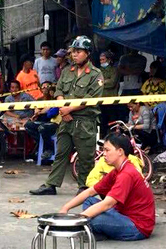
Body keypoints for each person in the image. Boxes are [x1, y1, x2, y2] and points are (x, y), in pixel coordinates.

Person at [30, 36, 104, 195]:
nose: (75, 55)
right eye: (73, 52)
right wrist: (64, 109)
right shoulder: (66, 71)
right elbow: (59, 91)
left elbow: (91, 99)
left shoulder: (95, 74)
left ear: (88, 53)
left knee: (85, 157)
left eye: (78, 51)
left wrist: (68, 110)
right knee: (61, 153)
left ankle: (84, 187)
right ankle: (51, 184)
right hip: (65, 119)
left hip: (84, 121)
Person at [59, 133, 155, 241]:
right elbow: (91, 191)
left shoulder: (127, 174)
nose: (104, 154)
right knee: (89, 201)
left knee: (94, 219)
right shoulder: (117, 170)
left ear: (120, 152)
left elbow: (107, 204)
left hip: (137, 227)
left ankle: (94, 229)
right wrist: (65, 208)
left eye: (107, 150)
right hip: (122, 215)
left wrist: (77, 220)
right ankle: (98, 230)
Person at [24, 81, 61, 159]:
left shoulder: (57, 99)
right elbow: (38, 109)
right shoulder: (40, 99)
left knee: (42, 128)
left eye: (48, 87)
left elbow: (48, 110)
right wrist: (36, 113)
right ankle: (45, 146)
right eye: (43, 87)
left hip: (55, 123)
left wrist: (40, 112)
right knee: (28, 125)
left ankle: (49, 149)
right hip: (45, 121)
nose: (46, 89)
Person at [99, 51, 120, 137]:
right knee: (102, 122)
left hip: (111, 100)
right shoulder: (98, 70)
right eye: (100, 60)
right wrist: (105, 81)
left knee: (112, 122)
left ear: (109, 60)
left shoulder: (114, 70)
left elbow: (112, 83)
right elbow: (96, 84)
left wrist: (102, 82)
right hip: (101, 100)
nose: (101, 62)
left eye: (103, 59)